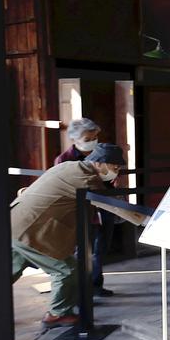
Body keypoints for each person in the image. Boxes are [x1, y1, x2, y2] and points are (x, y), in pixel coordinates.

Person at [11, 144, 127, 328]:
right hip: (33, 230)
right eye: (115, 167)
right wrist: (148, 219)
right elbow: (114, 206)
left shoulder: (69, 166)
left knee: (8, 270)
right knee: (67, 270)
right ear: (99, 163)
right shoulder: (87, 179)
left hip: (16, 222)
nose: (117, 171)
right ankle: (57, 314)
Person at [55, 118, 117, 297]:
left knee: (101, 249)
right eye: (88, 138)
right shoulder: (64, 160)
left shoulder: (101, 153)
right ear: (74, 139)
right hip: (81, 212)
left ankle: (96, 285)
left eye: (95, 137)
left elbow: (110, 177)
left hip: (104, 207)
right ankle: (80, 291)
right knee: (82, 252)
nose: (94, 141)